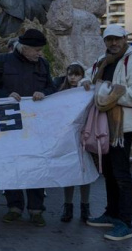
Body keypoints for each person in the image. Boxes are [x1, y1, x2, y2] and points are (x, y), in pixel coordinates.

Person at [85, 25, 132, 241]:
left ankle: (125, 223)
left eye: (117, 39)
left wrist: (107, 96)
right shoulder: (101, 60)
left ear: (125, 39)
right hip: (103, 124)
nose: (113, 43)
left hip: (121, 128)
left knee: (121, 174)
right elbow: (90, 79)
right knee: (109, 172)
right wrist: (88, 84)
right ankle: (111, 214)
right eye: (109, 40)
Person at [0, 29, 56, 226]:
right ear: (24, 48)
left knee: (36, 166)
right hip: (9, 127)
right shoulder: (2, 62)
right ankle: (14, 206)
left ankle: (36, 209)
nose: (40, 53)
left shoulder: (43, 64)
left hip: (34, 127)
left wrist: (44, 93)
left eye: (41, 50)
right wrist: (5, 95)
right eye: (37, 50)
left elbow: (52, 89)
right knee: (11, 166)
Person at [53, 62, 93, 223]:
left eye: (76, 74)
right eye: (70, 74)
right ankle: (68, 206)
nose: (73, 77)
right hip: (67, 137)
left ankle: (85, 207)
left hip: (82, 137)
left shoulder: (86, 91)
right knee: (69, 173)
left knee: (84, 173)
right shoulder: (62, 92)